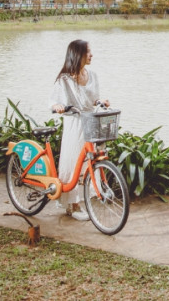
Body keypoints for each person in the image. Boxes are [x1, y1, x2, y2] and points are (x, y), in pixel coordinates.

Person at [49, 39, 109, 220]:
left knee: (89, 162)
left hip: (91, 122)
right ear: (78, 55)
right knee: (73, 161)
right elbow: (53, 101)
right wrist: (58, 106)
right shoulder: (64, 79)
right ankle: (72, 206)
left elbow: (94, 99)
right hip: (75, 124)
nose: (91, 55)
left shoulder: (93, 75)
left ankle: (86, 198)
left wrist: (101, 102)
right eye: (88, 52)